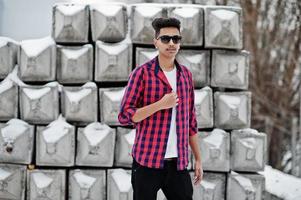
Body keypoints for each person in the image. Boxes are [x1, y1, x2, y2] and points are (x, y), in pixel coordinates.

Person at [118, 17, 203, 200]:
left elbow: (191, 121)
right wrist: (160, 105)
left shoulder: (185, 75)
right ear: (155, 42)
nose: (171, 43)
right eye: (165, 39)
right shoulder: (142, 74)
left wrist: (198, 159)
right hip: (147, 162)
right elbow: (125, 115)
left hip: (178, 164)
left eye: (176, 39)